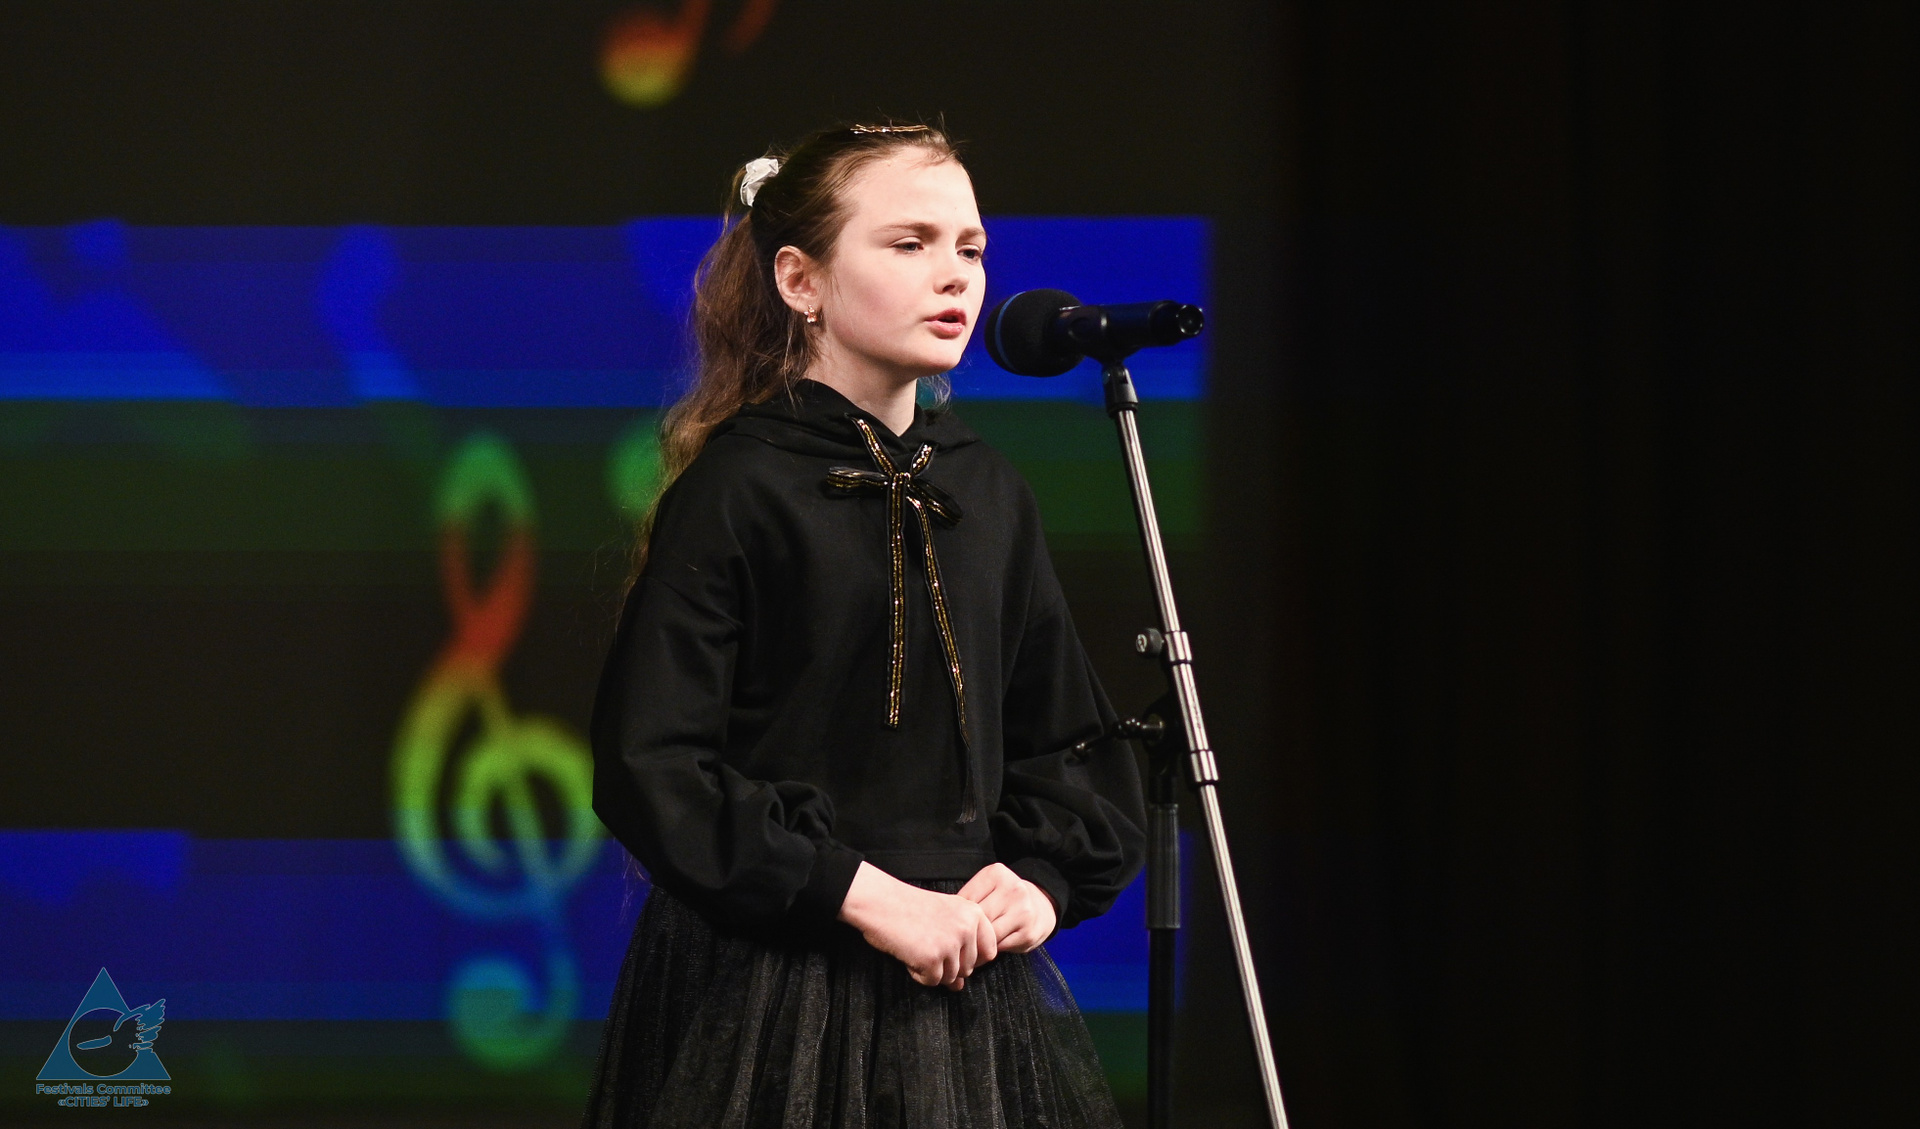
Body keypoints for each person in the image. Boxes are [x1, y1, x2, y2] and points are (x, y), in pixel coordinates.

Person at [579, 121, 1147, 1129]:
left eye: (969, 247)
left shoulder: (988, 491)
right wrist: (867, 896)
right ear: (801, 280)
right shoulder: (740, 488)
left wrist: (1039, 882)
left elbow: (1070, 744)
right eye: (909, 243)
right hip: (772, 991)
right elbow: (651, 765)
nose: (954, 275)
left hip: (957, 991)